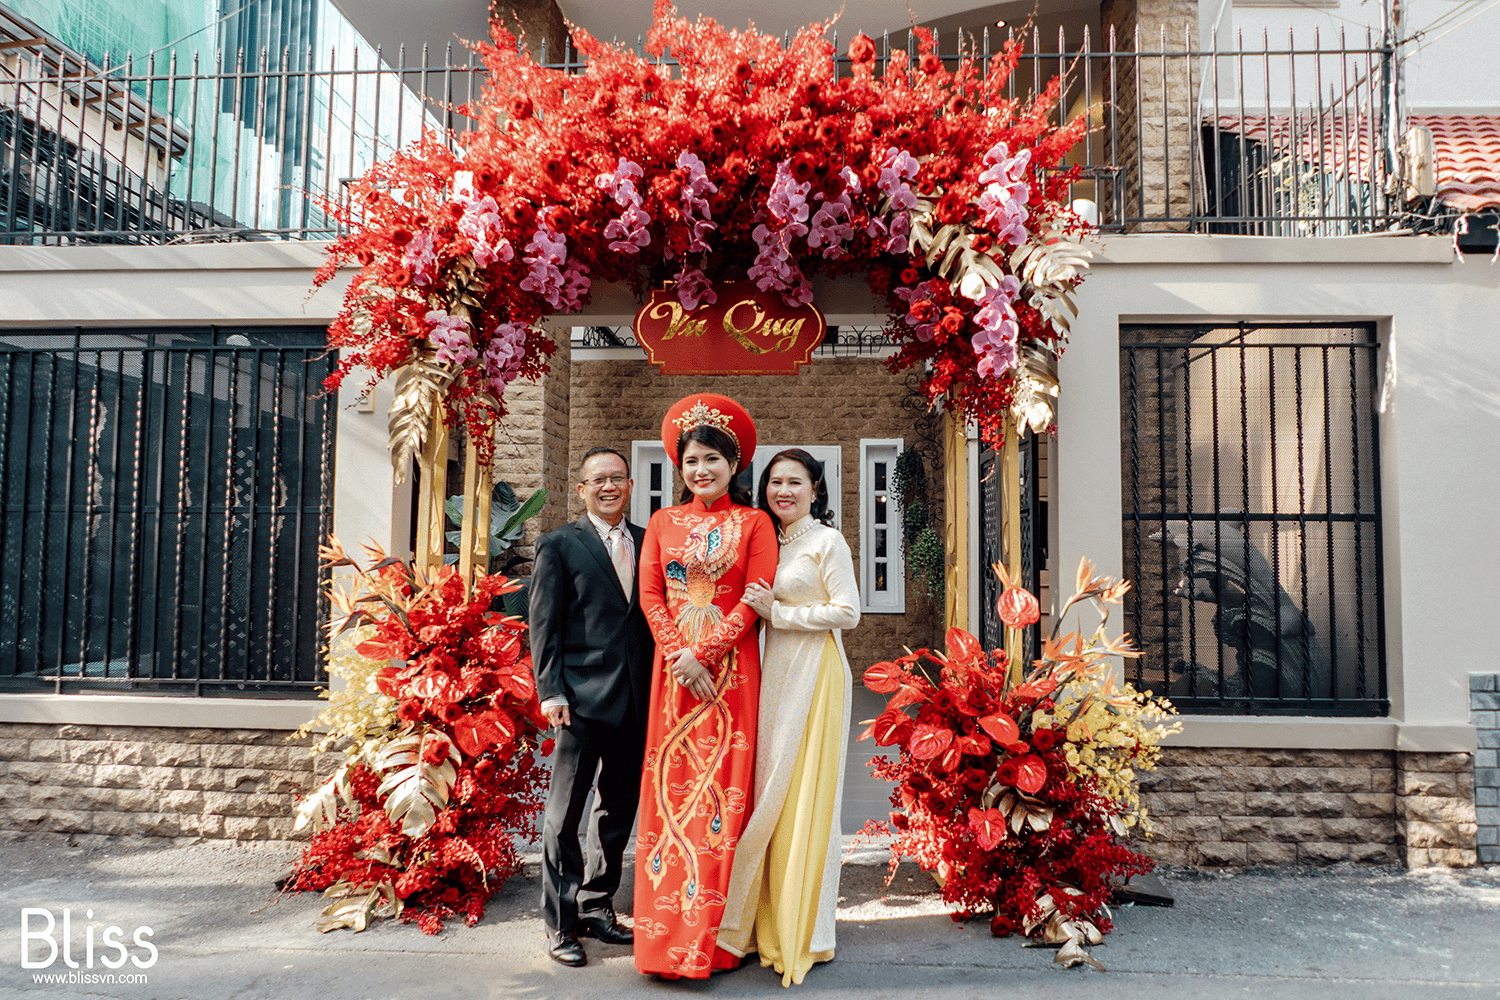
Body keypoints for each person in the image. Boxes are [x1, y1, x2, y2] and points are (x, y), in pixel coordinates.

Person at [633, 393, 779, 979]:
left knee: (724, 793)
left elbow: (757, 597)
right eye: (692, 460)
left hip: (731, 675)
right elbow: (649, 596)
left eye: (713, 460)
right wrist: (679, 655)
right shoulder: (663, 523)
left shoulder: (755, 522)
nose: (702, 470)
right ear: (680, 465)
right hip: (671, 680)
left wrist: (705, 653)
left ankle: (716, 939)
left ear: (734, 465)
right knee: (669, 792)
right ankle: (660, 939)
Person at [718, 448, 860, 987]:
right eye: (775, 482)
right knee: (768, 791)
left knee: (802, 797)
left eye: (795, 482)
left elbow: (848, 613)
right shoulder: (766, 541)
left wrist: (781, 613)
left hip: (815, 673)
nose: (783, 491)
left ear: (816, 490)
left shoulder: (827, 541)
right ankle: (758, 920)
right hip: (770, 672)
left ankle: (801, 930)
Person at [529, 447, 654, 968]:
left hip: (637, 698)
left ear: (630, 484)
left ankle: (598, 905)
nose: (608, 486)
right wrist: (550, 690)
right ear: (580, 489)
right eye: (596, 480)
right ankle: (561, 924)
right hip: (578, 701)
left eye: (617, 478)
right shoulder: (559, 544)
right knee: (564, 816)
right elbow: (544, 623)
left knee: (616, 811)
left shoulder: (649, 542)